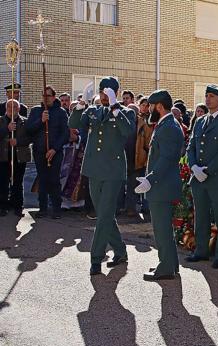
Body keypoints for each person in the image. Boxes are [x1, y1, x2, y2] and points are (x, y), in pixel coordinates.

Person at [69, 76, 135, 275]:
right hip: (93, 169)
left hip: (113, 171)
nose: (104, 96)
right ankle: (121, 251)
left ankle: (96, 259)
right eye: (102, 92)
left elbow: (128, 131)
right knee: (105, 214)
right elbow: (73, 123)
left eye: (108, 92)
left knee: (103, 215)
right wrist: (80, 105)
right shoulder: (94, 110)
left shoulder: (125, 113)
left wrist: (115, 105)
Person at [185, 85, 218, 269]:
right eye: (207, 96)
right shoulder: (200, 121)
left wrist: (206, 170)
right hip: (198, 177)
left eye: (212, 96)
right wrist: (193, 167)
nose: (208, 99)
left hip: (216, 178)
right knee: (200, 216)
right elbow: (190, 147)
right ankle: (201, 250)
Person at [135, 89, 185, 281]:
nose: (149, 110)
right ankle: (170, 265)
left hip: (161, 186)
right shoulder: (165, 124)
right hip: (161, 185)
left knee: (161, 229)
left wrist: (150, 179)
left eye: (151, 106)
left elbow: (166, 159)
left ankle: (166, 268)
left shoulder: (169, 127)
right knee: (164, 229)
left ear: (160, 106)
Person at [26, 85, 69, 219]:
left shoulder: (61, 112)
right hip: (39, 151)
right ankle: (42, 208)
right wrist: (41, 120)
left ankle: (56, 209)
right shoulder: (35, 111)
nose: (46, 98)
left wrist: (54, 149)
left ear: (54, 97)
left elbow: (65, 133)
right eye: (44, 96)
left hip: (55, 152)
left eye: (48, 96)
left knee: (54, 180)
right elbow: (29, 129)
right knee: (42, 179)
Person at [0, 99, 31, 216]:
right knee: (3, 182)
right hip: (3, 156)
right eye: (9, 107)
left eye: (15, 107)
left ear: (18, 109)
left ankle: (18, 206)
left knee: (17, 182)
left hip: (19, 156)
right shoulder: (1, 120)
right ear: (6, 108)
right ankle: (3, 206)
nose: (12, 109)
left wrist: (18, 141)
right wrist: (7, 129)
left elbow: (30, 138)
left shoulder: (25, 121)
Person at [133, 97, 154, 216]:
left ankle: (146, 207)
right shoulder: (136, 119)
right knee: (135, 181)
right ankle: (134, 206)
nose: (145, 108)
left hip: (145, 155)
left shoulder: (151, 120)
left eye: (147, 105)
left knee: (146, 181)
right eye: (143, 105)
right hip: (136, 155)